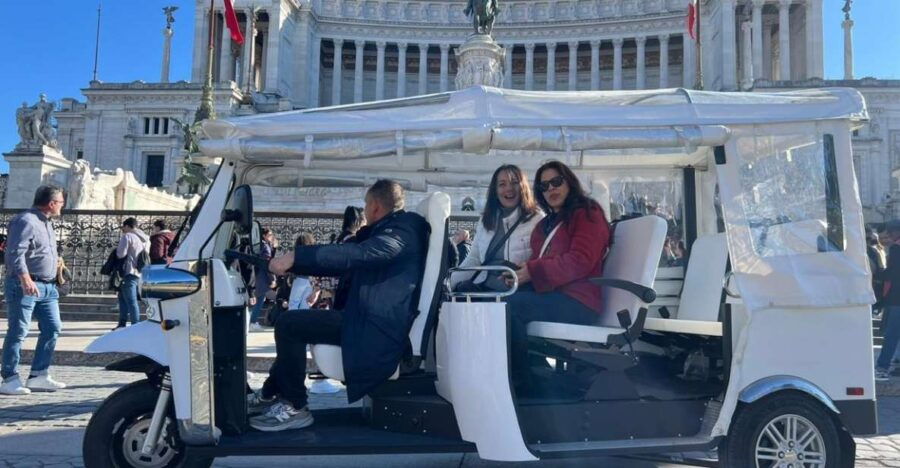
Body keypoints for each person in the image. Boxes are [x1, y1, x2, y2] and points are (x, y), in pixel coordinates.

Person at [248, 179, 429, 431]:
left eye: (366, 205)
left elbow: (359, 254)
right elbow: (341, 257)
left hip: (376, 327)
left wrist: (296, 255)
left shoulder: (401, 231)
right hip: (366, 318)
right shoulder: (389, 229)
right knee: (293, 323)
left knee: (290, 323)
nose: (364, 211)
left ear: (375, 206)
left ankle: (295, 406)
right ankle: (271, 393)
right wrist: (295, 264)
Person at [504, 160, 611, 392]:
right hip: (555, 296)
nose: (551, 189)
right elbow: (544, 259)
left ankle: (521, 385)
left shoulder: (587, 214)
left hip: (579, 301)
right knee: (499, 301)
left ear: (569, 182)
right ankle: (531, 375)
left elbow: (581, 260)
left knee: (509, 308)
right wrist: (521, 272)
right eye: (544, 186)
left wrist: (533, 271)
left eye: (556, 182)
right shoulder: (545, 225)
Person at [1, 185, 67, 395]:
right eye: (61, 202)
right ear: (51, 203)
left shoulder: (47, 223)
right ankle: (9, 378)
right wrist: (25, 278)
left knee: (53, 327)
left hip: (48, 287)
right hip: (24, 285)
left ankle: (39, 374)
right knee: (18, 331)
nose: (62, 206)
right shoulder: (25, 221)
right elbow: (14, 253)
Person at [449, 164, 544, 292]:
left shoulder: (537, 219)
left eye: (514, 183)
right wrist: (450, 283)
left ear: (523, 187)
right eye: (502, 184)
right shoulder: (486, 219)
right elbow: (474, 259)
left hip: (517, 293)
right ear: (495, 191)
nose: (509, 188)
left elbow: (543, 260)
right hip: (484, 291)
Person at [114, 217, 150, 330]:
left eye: (123, 227)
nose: (123, 230)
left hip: (128, 271)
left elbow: (121, 254)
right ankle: (122, 323)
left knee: (131, 300)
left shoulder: (128, 236)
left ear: (127, 226)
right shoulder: (144, 238)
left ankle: (135, 326)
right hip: (138, 272)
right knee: (122, 298)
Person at [876, 221, 900, 381]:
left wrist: (878, 275)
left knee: (891, 334)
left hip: (896, 298)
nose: (889, 236)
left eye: (891, 232)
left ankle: (882, 367)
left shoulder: (896, 248)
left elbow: (893, 273)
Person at [249, 228, 276, 331]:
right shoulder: (265, 247)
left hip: (259, 276)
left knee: (260, 299)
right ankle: (253, 322)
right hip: (263, 277)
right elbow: (267, 264)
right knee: (260, 300)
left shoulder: (261, 245)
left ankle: (253, 321)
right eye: (269, 234)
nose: (271, 236)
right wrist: (272, 279)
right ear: (264, 236)